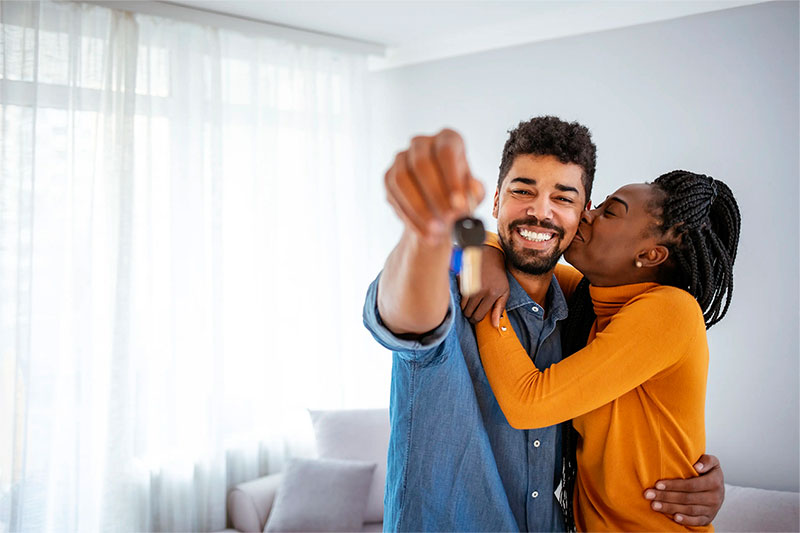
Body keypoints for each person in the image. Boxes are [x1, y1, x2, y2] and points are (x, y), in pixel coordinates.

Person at [363, 117, 725, 531]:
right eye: (522, 191)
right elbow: (404, 309)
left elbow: (531, 403)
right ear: (496, 201)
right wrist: (435, 237)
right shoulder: (483, 284)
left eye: (565, 198)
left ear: (580, 214)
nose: (540, 210)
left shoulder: (621, 309)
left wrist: (481, 274)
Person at [473, 171, 740, 531]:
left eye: (609, 212)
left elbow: (527, 403)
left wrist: (486, 296)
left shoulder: (671, 310)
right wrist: (487, 254)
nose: (585, 213)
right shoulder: (592, 303)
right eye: (597, 205)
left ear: (649, 254)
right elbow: (499, 254)